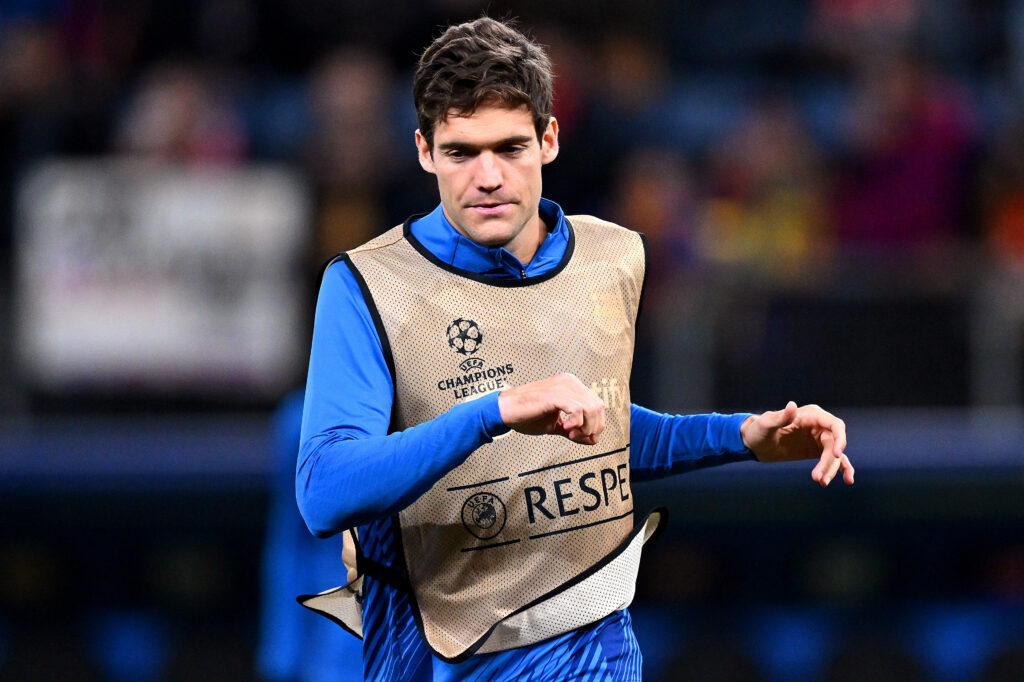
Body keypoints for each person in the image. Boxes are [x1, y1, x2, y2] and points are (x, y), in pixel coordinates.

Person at [296, 16, 854, 681]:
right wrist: (493, 412)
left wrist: (742, 435)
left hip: (595, 657)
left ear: (549, 139)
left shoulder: (610, 256)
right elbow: (325, 492)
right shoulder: (367, 286)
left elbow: (595, 431)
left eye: (510, 147)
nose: (488, 177)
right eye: (461, 152)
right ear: (424, 151)